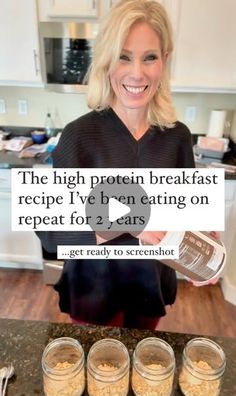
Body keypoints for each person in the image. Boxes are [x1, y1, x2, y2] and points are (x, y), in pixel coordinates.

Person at [38, 0, 197, 329]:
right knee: (96, 378)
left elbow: (184, 218)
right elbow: (51, 232)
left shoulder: (177, 138)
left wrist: (201, 248)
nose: (137, 72)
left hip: (149, 290)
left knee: (141, 377)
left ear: (164, 61)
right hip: (92, 292)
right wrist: (129, 222)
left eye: (149, 57)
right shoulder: (78, 136)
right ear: (107, 60)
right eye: (124, 56)